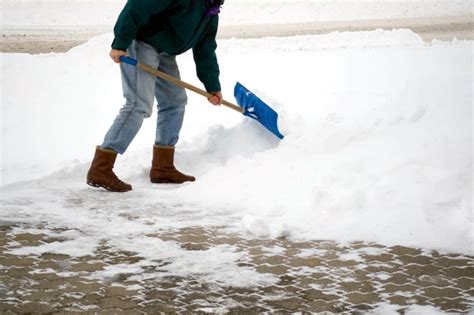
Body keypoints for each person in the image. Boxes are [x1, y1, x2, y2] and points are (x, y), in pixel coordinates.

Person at [86, 0, 224, 192]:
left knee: (175, 102)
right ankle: (101, 168)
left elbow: (205, 49)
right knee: (138, 104)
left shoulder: (211, 10)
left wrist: (212, 85)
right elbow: (137, 6)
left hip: (165, 52)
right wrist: (120, 42)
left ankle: (163, 167)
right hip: (141, 43)